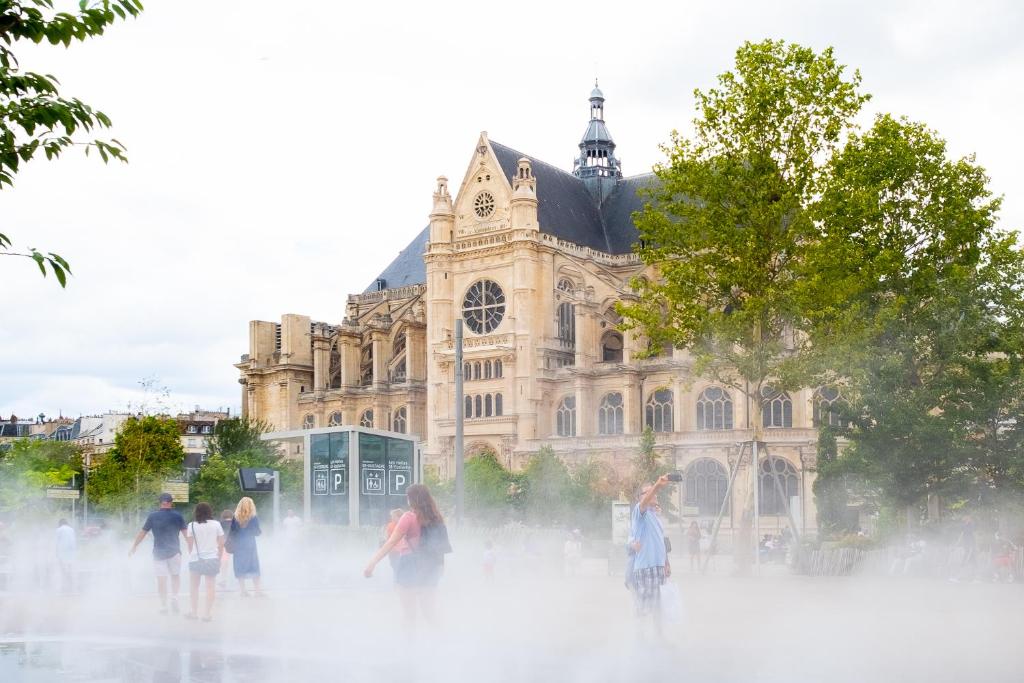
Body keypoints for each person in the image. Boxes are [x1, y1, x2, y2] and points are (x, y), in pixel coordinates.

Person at [364, 484, 451, 630]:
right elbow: (440, 547)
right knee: (429, 612)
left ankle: (409, 650)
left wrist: (372, 563)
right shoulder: (437, 518)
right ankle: (444, 642)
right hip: (430, 567)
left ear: (412, 499)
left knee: (409, 615)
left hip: (409, 566)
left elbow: (391, 542)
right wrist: (440, 568)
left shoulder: (409, 517)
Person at [627, 475, 673, 633]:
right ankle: (639, 640)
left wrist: (666, 563)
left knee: (658, 608)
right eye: (648, 493)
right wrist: (657, 485)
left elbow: (660, 541)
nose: (653, 494)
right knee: (644, 609)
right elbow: (644, 504)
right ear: (640, 498)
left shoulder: (656, 516)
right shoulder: (640, 514)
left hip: (658, 567)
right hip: (646, 568)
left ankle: (659, 638)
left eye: (654, 493)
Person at [130, 492, 187, 614]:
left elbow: (143, 532)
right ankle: (175, 597)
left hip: (158, 552)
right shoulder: (177, 515)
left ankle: (163, 605)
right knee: (175, 576)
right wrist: (191, 547)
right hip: (175, 551)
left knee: (161, 580)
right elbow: (186, 533)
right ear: (171, 503)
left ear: (160, 502)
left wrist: (134, 546)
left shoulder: (153, 516)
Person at [185, 502, 224, 621]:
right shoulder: (216, 524)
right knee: (210, 587)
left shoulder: (191, 525)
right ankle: (207, 614)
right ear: (209, 512)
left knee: (194, 587)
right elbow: (221, 543)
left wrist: (193, 555)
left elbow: (190, 546)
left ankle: (194, 612)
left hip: (196, 560)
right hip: (212, 559)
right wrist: (219, 557)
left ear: (196, 512)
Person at [229, 496, 263, 597]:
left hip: (239, 546)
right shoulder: (253, 517)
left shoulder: (235, 517)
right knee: (254, 566)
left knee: (240, 567)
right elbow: (257, 532)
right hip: (250, 545)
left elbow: (232, 532)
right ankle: (257, 591)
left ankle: (243, 591)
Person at [55, 518, 76, 593]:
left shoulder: (59, 530)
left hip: (62, 551)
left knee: (62, 569)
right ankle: (71, 585)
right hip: (70, 552)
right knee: (70, 568)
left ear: (60, 523)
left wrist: (56, 552)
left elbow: (56, 542)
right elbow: (73, 541)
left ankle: (64, 586)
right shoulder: (71, 529)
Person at [217, 509, 234, 589]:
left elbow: (218, 536)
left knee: (224, 564)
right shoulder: (236, 523)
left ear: (223, 516)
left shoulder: (219, 524)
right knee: (233, 563)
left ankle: (223, 580)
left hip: (224, 546)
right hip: (235, 546)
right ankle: (234, 580)